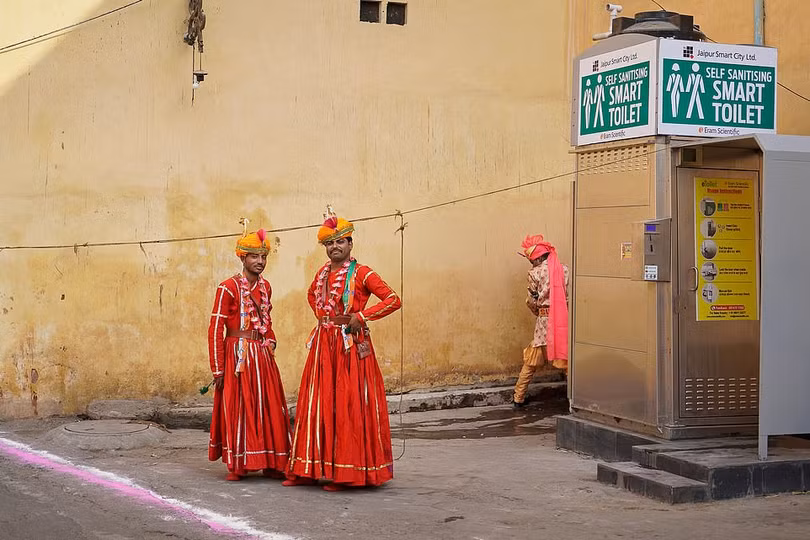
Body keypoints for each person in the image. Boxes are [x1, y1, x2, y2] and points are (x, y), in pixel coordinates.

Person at [284, 209, 401, 491]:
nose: (334, 247)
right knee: (318, 403)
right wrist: (324, 318)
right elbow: (312, 295)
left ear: (350, 244)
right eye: (329, 244)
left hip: (350, 346)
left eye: (340, 242)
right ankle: (308, 468)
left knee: (347, 405)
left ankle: (346, 473)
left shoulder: (362, 272)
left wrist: (362, 316)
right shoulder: (322, 273)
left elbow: (393, 299)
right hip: (325, 344)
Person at [207, 228, 291, 481]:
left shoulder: (266, 287)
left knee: (270, 407)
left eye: (263, 257)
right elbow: (215, 330)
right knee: (240, 407)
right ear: (242, 258)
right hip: (238, 357)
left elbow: (267, 321)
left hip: (262, 356)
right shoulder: (227, 287)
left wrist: (271, 340)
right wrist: (218, 369)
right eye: (254, 256)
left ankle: (272, 461)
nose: (260, 262)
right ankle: (239, 465)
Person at [513, 234, 570, 408]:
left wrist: (536, 311)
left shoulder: (534, 274)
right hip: (562, 319)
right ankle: (574, 400)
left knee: (531, 360)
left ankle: (518, 397)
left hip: (544, 321)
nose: (531, 263)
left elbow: (531, 300)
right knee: (567, 360)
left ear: (538, 258)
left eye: (532, 259)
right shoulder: (564, 270)